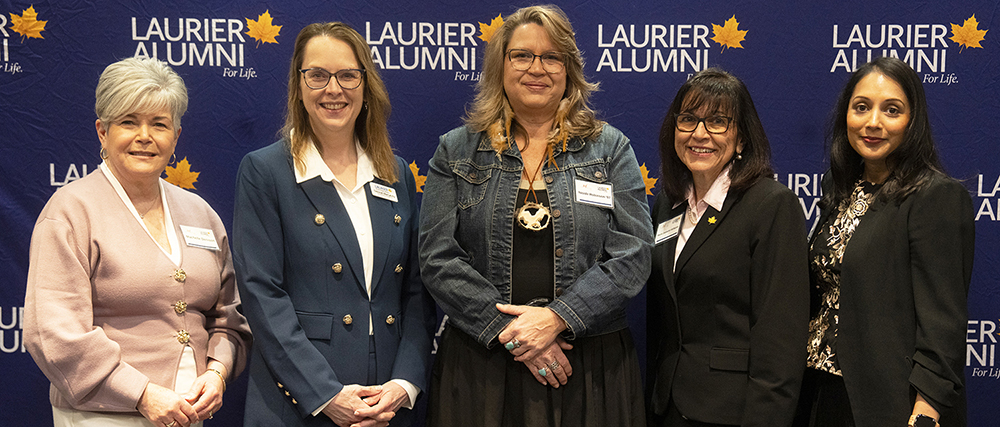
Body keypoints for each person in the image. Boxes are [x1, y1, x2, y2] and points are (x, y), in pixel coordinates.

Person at [418, 5, 653, 427]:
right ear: (500, 66)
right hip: (482, 365)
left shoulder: (611, 149)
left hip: (589, 366)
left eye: (551, 57)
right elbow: (437, 258)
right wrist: (517, 335)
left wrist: (558, 318)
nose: (536, 68)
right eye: (522, 55)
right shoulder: (455, 151)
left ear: (569, 69)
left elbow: (633, 254)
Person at [23, 57, 252, 427]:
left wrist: (217, 372)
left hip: (191, 414)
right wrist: (142, 393)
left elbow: (229, 317)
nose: (144, 136)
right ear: (102, 132)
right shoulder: (70, 211)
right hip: (101, 416)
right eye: (129, 122)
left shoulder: (200, 213)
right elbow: (54, 333)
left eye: (159, 124)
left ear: (175, 137)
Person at [233, 22, 435, 427]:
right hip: (299, 401)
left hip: (387, 404)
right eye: (318, 75)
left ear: (366, 83)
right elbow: (262, 295)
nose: (334, 89)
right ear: (299, 84)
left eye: (347, 75)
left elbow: (416, 289)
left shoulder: (394, 173)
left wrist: (405, 383)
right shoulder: (265, 171)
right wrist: (325, 394)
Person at [795, 57, 974, 427]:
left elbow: (943, 325)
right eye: (861, 108)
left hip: (890, 401)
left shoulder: (934, 197)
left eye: (891, 110)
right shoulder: (839, 188)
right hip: (820, 390)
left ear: (913, 122)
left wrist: (926, 411)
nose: (873, 123)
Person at [646, 68, 810, 427]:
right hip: (669, 406)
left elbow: (781, 341)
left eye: (718, 121)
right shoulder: (667, 204)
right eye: (688, 119)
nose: (699, 133)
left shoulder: (771, 206)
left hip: (734, 411)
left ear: (741, 139)